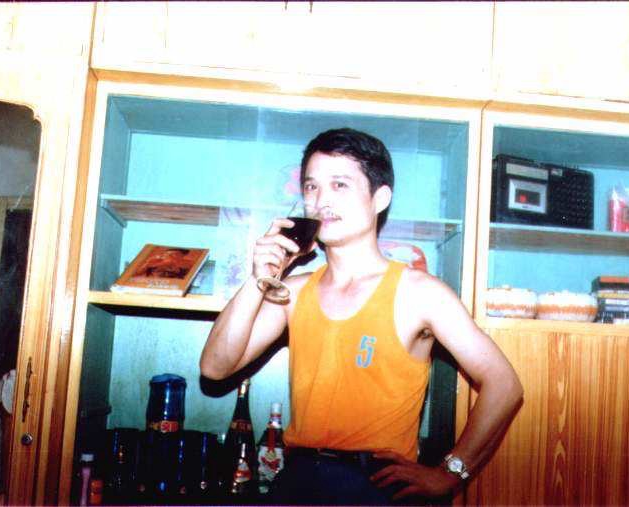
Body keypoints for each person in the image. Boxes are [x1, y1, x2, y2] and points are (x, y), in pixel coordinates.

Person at [200, 128, 523, 505]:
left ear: (379, 198)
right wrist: (259, 279)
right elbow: (215, 368)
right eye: (311, 187)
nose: (321, 200)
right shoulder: (294, 291)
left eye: (339, 185)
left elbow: (505, 384)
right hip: (296, 480)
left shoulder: (419, 292)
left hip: (375, 486)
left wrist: (451, 473)